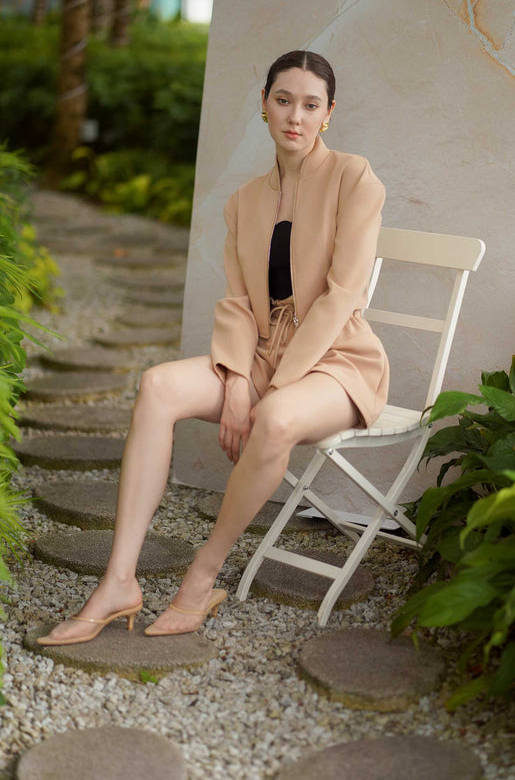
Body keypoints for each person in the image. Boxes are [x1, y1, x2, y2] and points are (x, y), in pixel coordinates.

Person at [37, 50, 389, 645]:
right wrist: (237, 378)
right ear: (264, 105)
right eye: (283, 100)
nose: (295, 117)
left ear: (328, 113)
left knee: (275, 418)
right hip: (261, 353)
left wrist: (270, 390)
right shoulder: (243, 201)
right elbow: (238, 303)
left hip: (337, 360)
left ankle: (202, 575)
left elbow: (342, 296)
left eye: (310, 105)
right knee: (157, 385)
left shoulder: (354, 179)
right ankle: (118, 580)